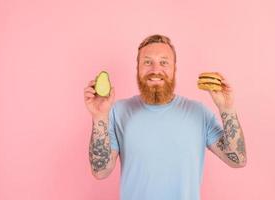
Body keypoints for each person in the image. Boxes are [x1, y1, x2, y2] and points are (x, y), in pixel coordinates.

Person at [83, 34, 247, 200]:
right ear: (137, 68)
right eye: (147, 62)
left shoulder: (199, 113)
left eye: (163, 62)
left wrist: (227, 109)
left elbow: (237, 159)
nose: (155, 70)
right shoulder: (118, 111)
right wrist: (99, 117)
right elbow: (100, 171)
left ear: (174, 69)